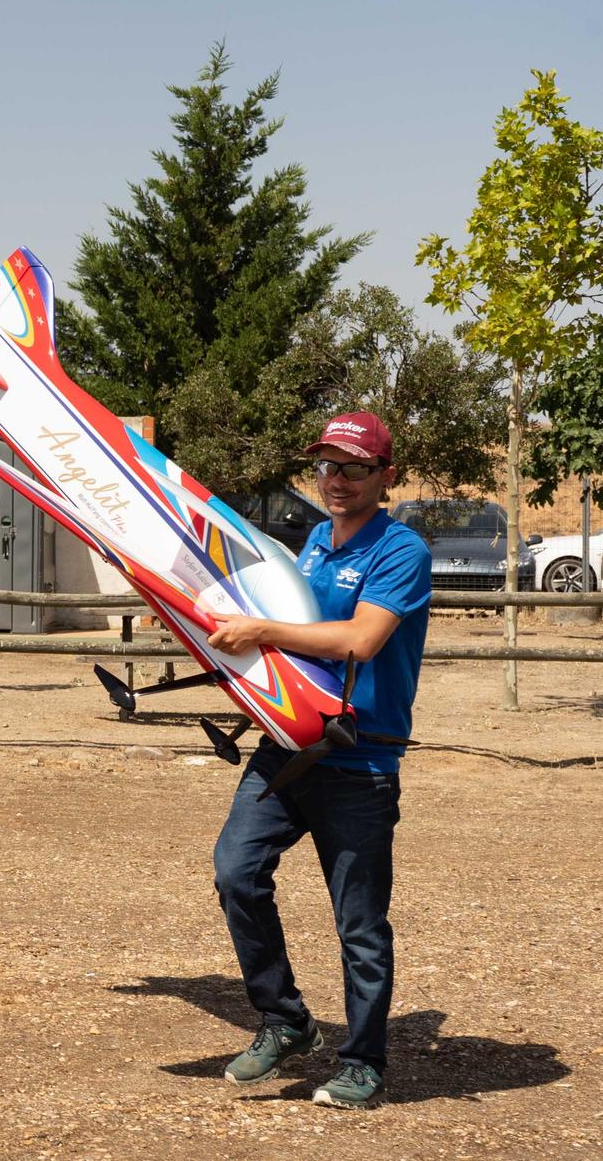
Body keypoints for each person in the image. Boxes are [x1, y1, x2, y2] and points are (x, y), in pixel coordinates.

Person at [201, 412, 431, 1108]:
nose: (337, 479)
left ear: (385, 476)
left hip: (359, 760)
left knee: (359, 922)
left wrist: (264, 628)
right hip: (287, 745)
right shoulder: (312, 547)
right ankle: (286, 1019)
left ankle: (363, 1060)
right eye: (328, 465)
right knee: (235, 873)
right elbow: (291, 650)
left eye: (355, 467)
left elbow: (360, 640)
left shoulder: (402, 550)